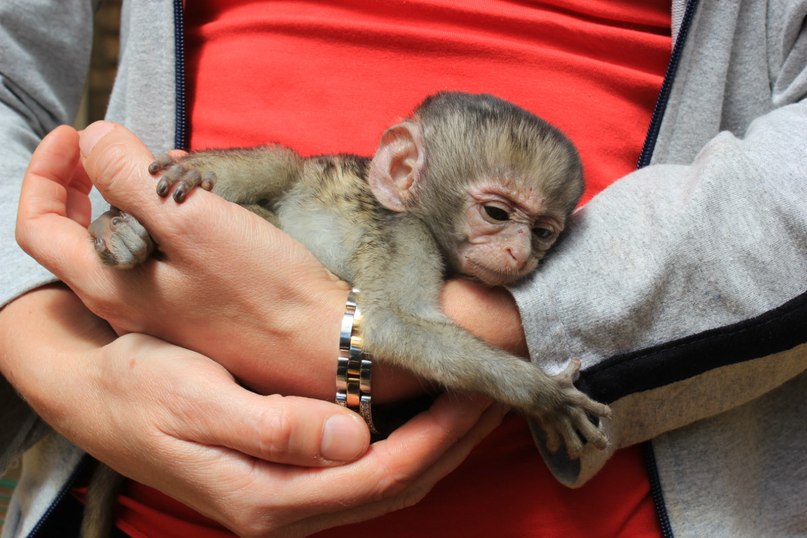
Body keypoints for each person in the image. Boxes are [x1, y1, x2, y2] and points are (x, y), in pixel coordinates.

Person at [3, 0, 807, 536]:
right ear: (401, 171)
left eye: (545, 233)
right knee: (276, 166)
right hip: (143, 474)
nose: (521, 257)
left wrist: (530, 325)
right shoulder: (401, 227)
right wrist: (51, 350)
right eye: (497, 216)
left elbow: (385, 329)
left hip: (601, 507)